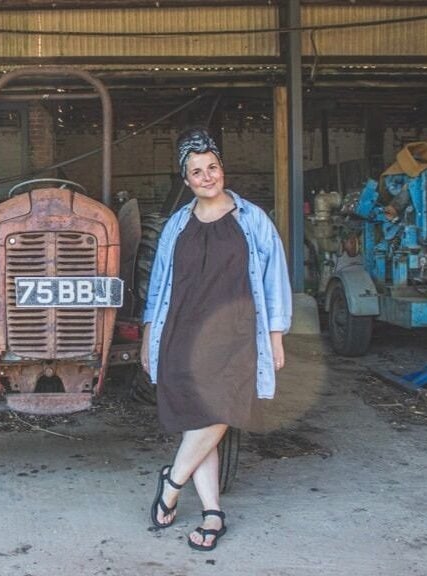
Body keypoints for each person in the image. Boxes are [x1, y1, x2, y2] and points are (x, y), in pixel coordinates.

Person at [140, 127, 292, 552]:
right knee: (198, 418)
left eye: (213, 167)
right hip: (182, 332)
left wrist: (276, 336)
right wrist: (149, 332)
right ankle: (213, 513)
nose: (207, 177)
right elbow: (158, 285)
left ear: (222, 169)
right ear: (185, 180)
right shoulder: (176, 224)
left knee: (221, 409)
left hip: (236, 335)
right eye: (197, 172)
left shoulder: (252, 219)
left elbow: (275, 279)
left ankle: (171, 483)